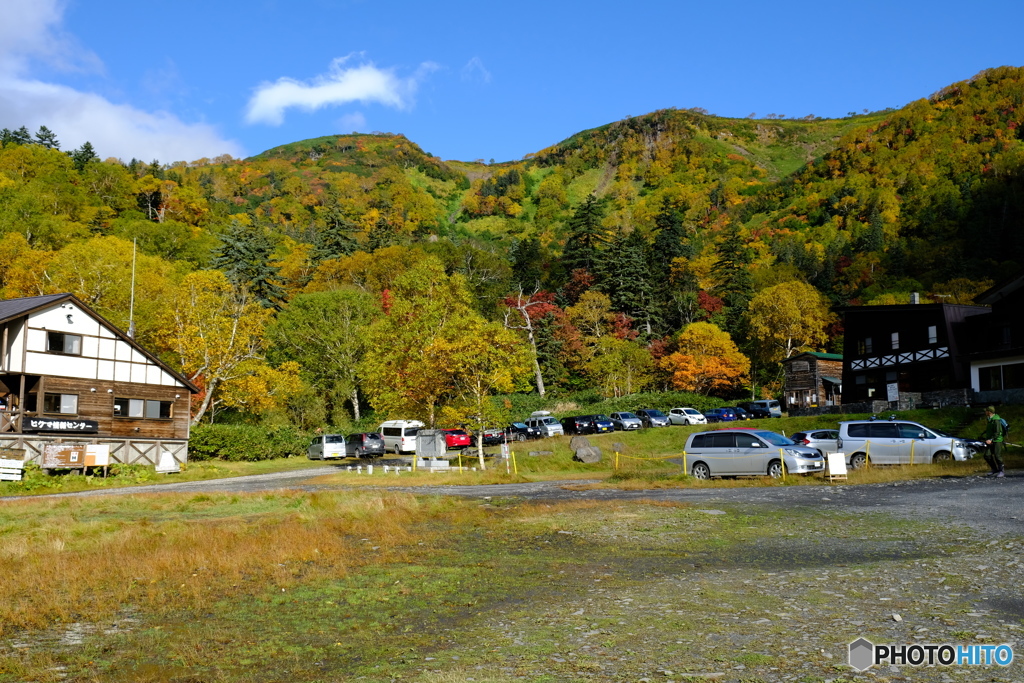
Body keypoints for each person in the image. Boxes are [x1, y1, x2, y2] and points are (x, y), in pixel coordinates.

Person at [981, 406, 1006, 478]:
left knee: (997, 455)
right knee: (987, 455)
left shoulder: (996, 420)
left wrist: (991, 439)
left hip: (997, 440)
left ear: (989, 412)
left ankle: (1001, 470)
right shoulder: (990, 420)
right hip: (990, 440)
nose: (985, 412)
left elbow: (997, 432)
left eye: (986, 411)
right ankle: (994, 469)